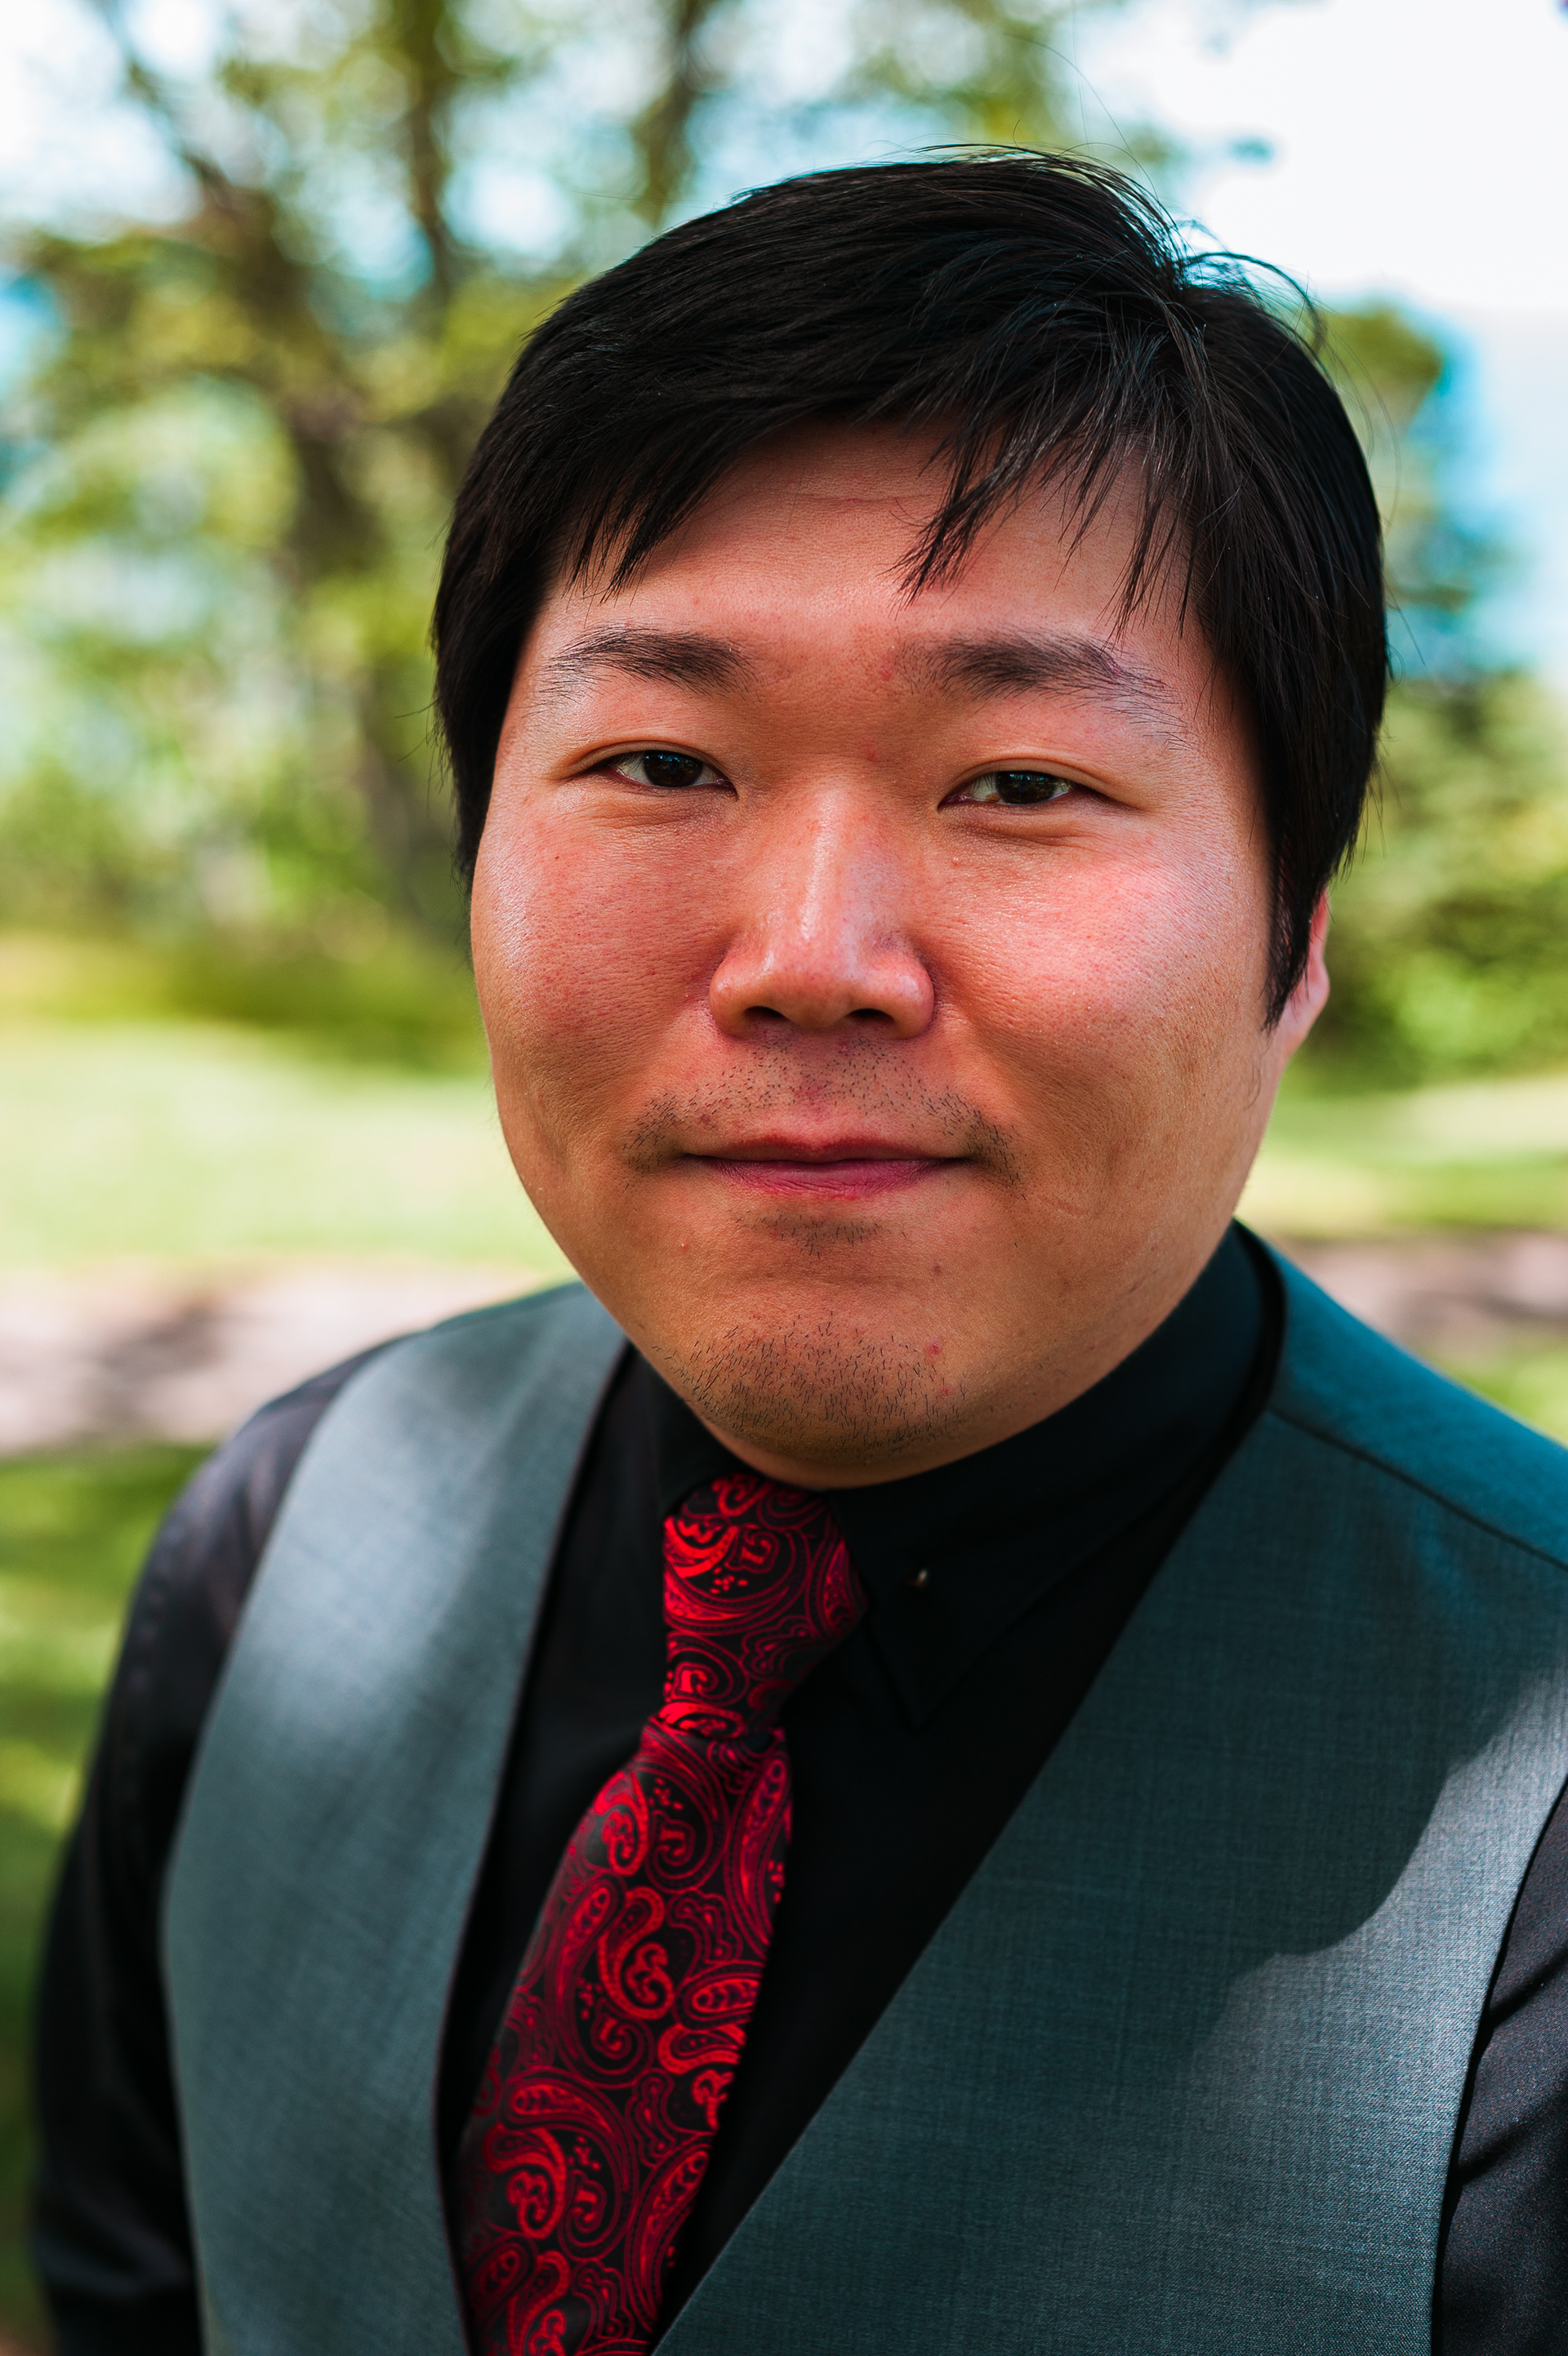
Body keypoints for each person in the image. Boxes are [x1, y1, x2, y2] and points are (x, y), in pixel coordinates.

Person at [29, 154, 1568, 2356]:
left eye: (1020, 783)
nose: (812, 959)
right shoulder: (282, 1547)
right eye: (662, 759)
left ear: (1296, 939)